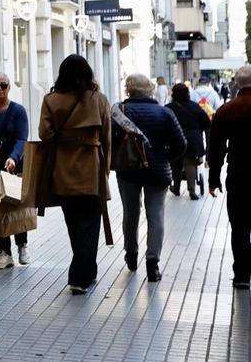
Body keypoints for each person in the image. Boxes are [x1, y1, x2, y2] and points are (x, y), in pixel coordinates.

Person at [39, 54, 111, 295]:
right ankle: (80, 276)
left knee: (74, 225)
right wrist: (106, 170)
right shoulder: (99, 100)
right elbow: (107, 139)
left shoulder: (51, 100)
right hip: (92, 171)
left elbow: (44, 135)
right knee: (90, 226)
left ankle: (85, 272)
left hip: (62, 170)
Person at [114, 74, 186, 282]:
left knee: (131, 212)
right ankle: (152, 263)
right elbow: (181, 144)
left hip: (127, 170)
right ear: (150, 90)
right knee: (156, 215)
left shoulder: (120, 112)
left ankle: (131, 254)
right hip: (158, 171)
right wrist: (164, 157)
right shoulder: (165, 113)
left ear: (129, 90)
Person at [207, 65, 251, 290]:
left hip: (239, 175)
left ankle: (242, 275)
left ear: (236, 82)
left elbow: (215, 148)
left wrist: (213, 179)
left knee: (240, 226)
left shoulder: (226, 110)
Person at [0, 72, 31, 269]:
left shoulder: (18, 111)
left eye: (3, 85)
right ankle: (4, 252)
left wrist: (14, 157)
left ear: (9, 87)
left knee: (16, 206)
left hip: (15, 166)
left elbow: (21, 138)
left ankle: (22, 245)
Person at [166, 82, 210, 199]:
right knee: (190, 162)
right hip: (193, 140)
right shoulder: (195, 106)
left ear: (173, 94)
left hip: (175, 140)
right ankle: (192, 190)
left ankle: (176, 188)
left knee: (176, 164)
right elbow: (207, 123)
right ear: (187, 93)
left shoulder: (168, 109)